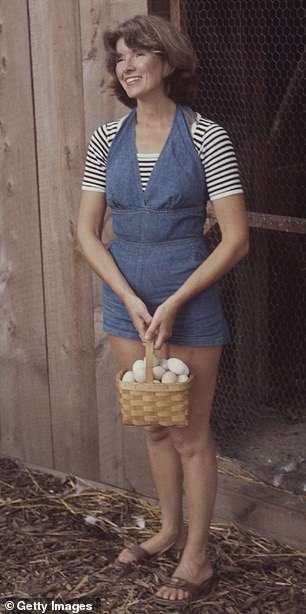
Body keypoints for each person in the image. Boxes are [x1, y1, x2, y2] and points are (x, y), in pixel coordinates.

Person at [77, 14, 249, 608]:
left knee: (190, 433)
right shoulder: (106, 139)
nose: (126, 65)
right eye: (119, 57)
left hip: (189, 301)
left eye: (138, 53)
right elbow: (88, 234)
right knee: (153, 423)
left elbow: (234, 239)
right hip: (126, 303)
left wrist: (175, 301)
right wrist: (128, 297)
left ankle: (197, 558)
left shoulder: (207, 137)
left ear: (170, 63)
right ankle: (169, 530)